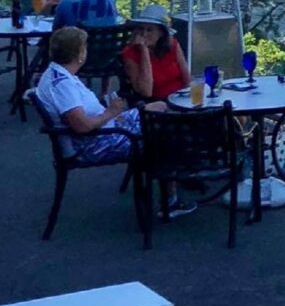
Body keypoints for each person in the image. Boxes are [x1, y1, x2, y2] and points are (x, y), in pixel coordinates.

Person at [34, 26, 196, 218]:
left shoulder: (56, 74)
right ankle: (171, 199)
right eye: (85, 47)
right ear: (79, 54)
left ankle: (179, 169)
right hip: (96, 143)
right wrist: (110, 112)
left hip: (106, 129)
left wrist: (111, 114)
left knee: (160, 107)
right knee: (165, 132)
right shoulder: (63, 85)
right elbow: (82, 126)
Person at [121, 4, 189, 102]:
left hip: (180, 97)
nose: (144, 34)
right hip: (156, 103)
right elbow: (146, 91)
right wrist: (144, 51)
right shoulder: (130, 53)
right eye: (141, 29)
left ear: (161, 33)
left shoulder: (172, 44)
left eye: (149, 30)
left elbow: (187, 78)